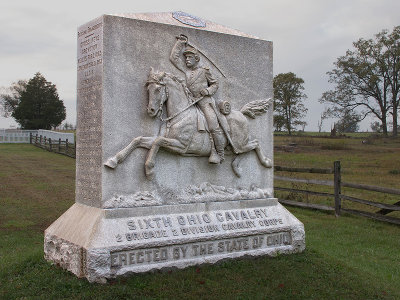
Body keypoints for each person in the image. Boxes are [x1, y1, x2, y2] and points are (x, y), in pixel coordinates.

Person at [170, 35, 225, 164]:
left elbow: (215, 84)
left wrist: (207, 91)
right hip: (190, 102)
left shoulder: (204, 71)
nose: (187, 60)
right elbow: (173, 58)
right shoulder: (186, 71)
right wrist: (180, 43)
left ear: (196, 59)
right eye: (186, 57)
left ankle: (220, 153)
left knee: (212, 125)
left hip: (204, 102)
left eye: (189, 58)